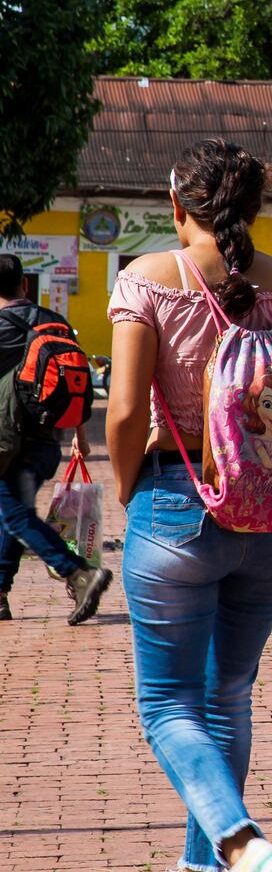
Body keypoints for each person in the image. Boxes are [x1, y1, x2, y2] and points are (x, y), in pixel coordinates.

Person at [105, 138, 272, 872]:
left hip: (178, 505)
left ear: (178, 209)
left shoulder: (147, 279)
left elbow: (126, 411)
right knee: (227, 696)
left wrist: (135, 493)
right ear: (254, 210)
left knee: (168, 706)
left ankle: (243, 849)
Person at [0, 253, 109, 625]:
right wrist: (81, 435)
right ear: (25, 284)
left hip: (7, 444)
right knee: (13, 514)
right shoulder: (55, 321)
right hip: (49, 440)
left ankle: (77, 572)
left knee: (13, 513)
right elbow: (73, 377)